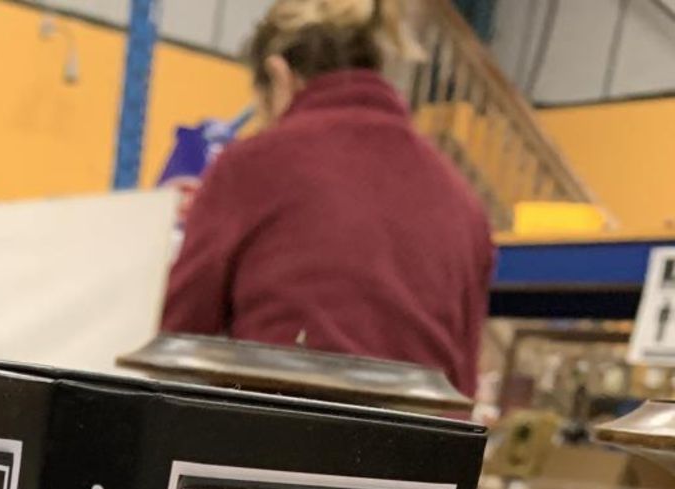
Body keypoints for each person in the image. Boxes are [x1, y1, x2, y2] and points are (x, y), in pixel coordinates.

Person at [161, 0, 492, 399]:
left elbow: (176, 344)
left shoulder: (252, 165)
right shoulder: (462, 198)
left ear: (279, 75)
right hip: (423, 453)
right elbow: (463, 384)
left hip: (278, 445)